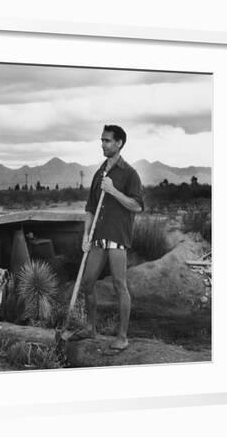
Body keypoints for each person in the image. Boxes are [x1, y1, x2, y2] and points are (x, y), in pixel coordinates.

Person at [79, 125, 144, 350]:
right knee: (87, 283)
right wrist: (86, 235)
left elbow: (136, 205)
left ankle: (122, 337)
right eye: (102, 140)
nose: (103, 144)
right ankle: (90, 328)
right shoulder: (99, 173)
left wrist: (114, 191)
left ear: (119, 143)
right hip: (98, 238)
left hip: (117, 238)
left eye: (107, 141)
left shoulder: (129, 173)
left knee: (119, 285)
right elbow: (90, 208)